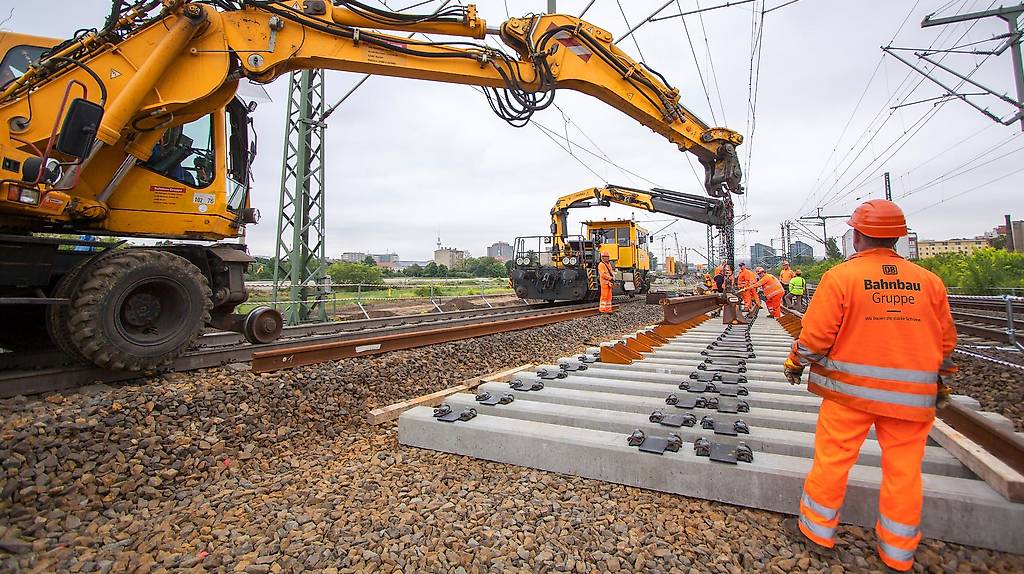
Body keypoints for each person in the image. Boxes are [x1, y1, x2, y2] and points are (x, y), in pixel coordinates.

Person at [781, 199, 957, 572]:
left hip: (849, 394)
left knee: (833, 459)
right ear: (898, 238)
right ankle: (897, 552)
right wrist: (940, 382)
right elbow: (945, 343)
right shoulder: (929, 282)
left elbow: (815, 338)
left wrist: (796, 362)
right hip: (912, 398)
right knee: (905, 470)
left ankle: (816, 532)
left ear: (857, 236)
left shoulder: (841, 278)